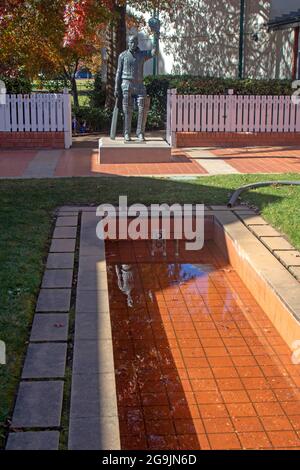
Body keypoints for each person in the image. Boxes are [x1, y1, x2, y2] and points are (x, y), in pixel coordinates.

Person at [114, 34, 158, 142]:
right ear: (128, 43)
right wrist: (116, 87)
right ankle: (127, 133)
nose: (133, 44)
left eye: (135, 42)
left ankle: (140, 133)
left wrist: (156, 37)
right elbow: (118, 72)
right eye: (131, 42)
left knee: (142, 109)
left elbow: (154, 53)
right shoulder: (123, 56)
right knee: (127, 110)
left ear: (137, 43)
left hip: (139, 85)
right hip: (126, 84)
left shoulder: (142, 55)